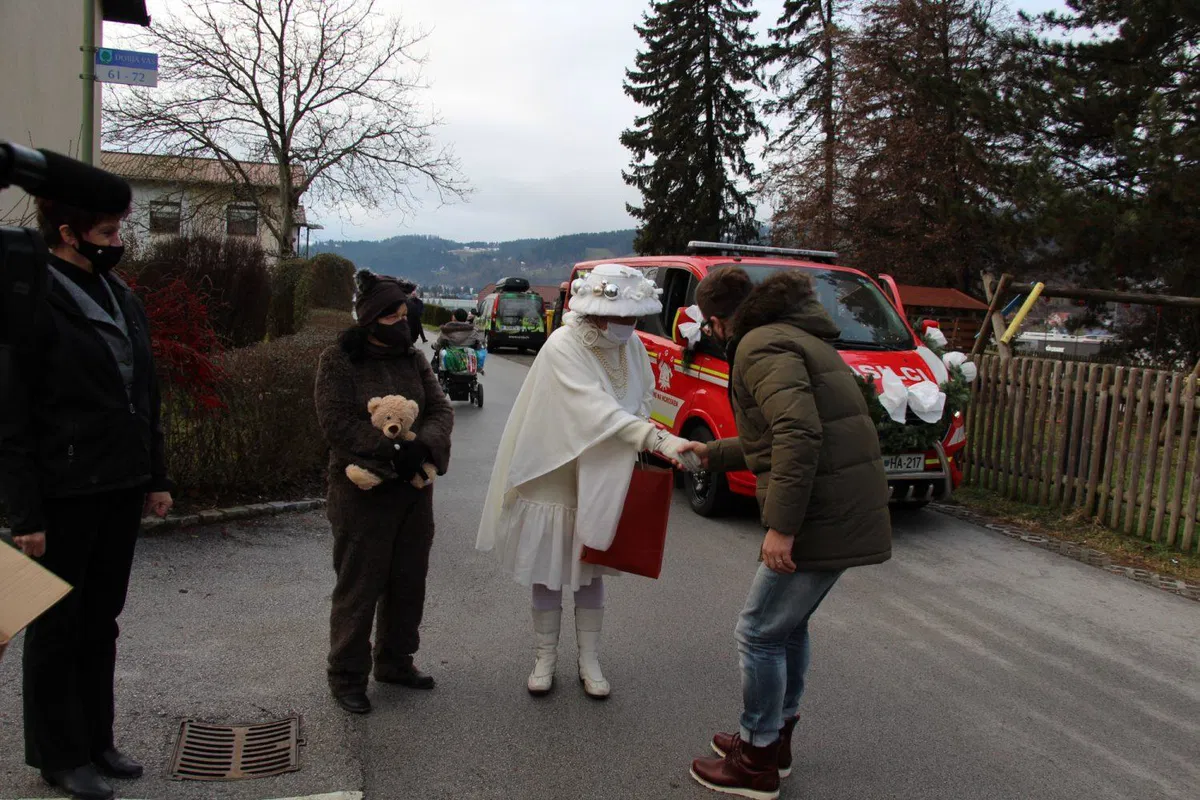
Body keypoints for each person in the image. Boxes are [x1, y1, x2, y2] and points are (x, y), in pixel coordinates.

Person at [681, 266, 892, 800]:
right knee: (788, 628)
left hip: (821, 511)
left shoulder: (757, 346)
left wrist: (781, 527)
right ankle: (773, 743)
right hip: (841, 502)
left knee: (757, 632)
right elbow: (779, 435)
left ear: (717, 320)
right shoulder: (792, 335)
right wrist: (713, 451)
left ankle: (755, 760)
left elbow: (798, 434)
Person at [0, 198, 174, 800]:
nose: (117, 239)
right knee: (56, 627)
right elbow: (11, 417)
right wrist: (24, 515)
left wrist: (155, 476)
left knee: (101, 621)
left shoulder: (119, 293)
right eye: (106, 231)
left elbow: (144, 390)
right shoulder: (30, 299)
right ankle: (59, 755)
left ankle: (98, 738)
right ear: (68, 233)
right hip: (62, 493)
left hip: (118, 486)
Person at [476, 264, 697, 698]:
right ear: (597, 314)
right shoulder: (563, 343)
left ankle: (589, 658)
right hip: (554, 463)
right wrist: (656, 438)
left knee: (591, 561)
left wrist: (645, 427)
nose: (629, 328)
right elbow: (593, 406)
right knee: (548, 566)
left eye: (635, 320)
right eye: (622, 320)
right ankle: (544, 656)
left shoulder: (631, 345)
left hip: (603, 463)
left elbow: (642, 393)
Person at [314, 270, 454, 715]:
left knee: (408, 580)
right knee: (360, 583)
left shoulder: (414, 359)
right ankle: (347, 673)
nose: (403, 321)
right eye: (393, 315)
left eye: (403, 313)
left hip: (412, 493)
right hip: (361, 493)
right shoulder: (338, 361)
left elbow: (440, 408)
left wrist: (423, 447)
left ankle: (395, 661)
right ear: (371, 319)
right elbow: (336, 422)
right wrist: (391, 449)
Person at [432, 308, 486, 374]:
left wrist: (434, 346)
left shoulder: (446, 330)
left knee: (441, 352)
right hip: (468, 362)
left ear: (454, 317)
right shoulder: (473, 331)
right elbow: (479, 344)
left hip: (450, 363)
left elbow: (438, 344)